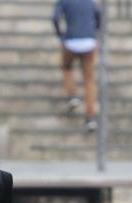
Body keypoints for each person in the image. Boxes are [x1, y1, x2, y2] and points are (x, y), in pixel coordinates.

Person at [51, 0, 100, 132]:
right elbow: (98, 16)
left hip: (71, 41)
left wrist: (60, 35)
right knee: (89, 80)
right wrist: (94, 32)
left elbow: (55, 17)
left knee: (66, 67)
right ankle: (90, 117)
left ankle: (72, 95)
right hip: (89, 42)